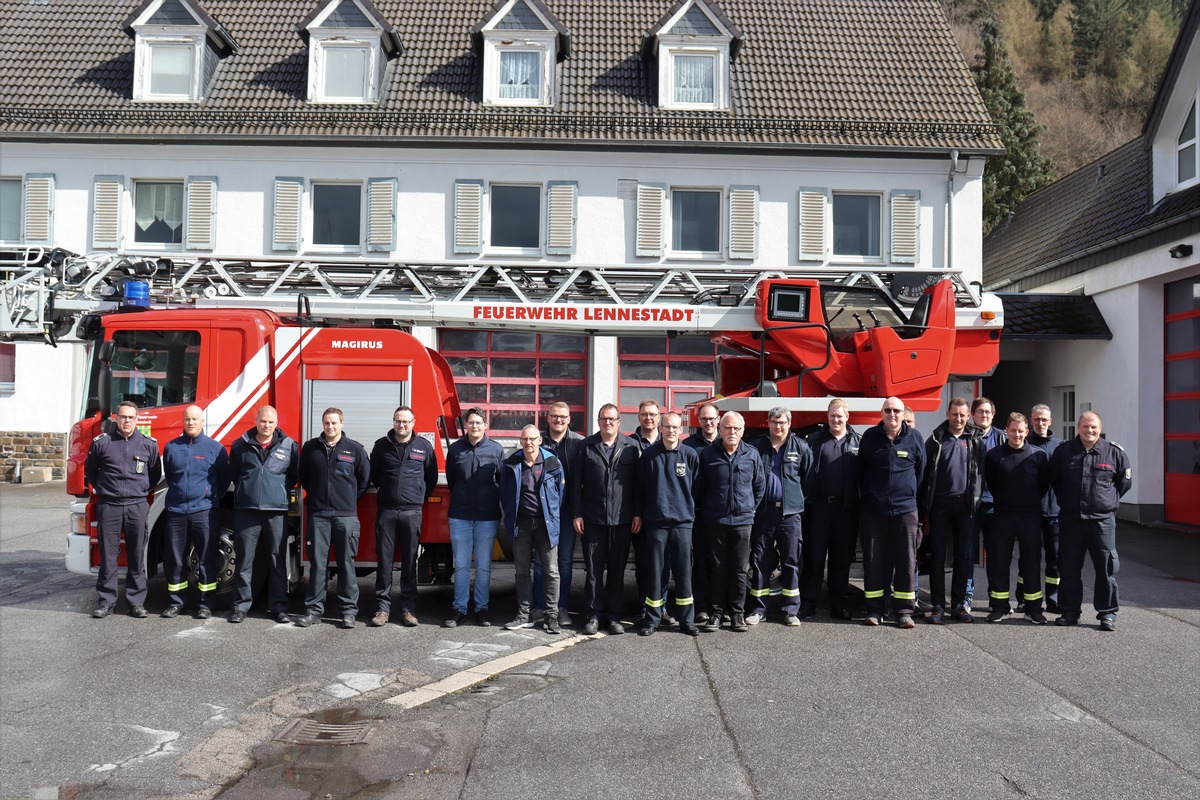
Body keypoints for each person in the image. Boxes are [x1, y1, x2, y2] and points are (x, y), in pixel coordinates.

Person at [1049, 411, 1131, 631]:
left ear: (1100, 428)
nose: (1090, 431)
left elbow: (1123, 483)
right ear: (1078, 427)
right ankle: (1070, 611)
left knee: (1106, 568)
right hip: (1071, 520)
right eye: (1085, 426)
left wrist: (1104, 502)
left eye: (1093, 427)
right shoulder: (1064, 452)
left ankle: (1107, 614)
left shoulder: (1114, 453)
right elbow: (1055, 481)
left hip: (1102, 522)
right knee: (1069, 567)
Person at [85, 400, 162, 618]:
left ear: (137, 420)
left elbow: (154, 474)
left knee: (137, 556)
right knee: (108, 556)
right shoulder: (102, 443)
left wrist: (140, 492)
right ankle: (106, 602)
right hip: (109, 505)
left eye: (131, 417)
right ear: (116, 418)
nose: (127, 420)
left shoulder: (148, 444)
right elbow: (91, 472)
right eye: (123, 417)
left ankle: (136, 602)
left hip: (136, 506)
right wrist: (104, 489)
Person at [296, 408, 370, 629]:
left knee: (347, 564)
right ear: (322, 424)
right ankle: (313, 610)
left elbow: (364, 479)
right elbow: (304, 477)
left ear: (342, 423)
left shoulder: (354, 449)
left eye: (334, 423)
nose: (330, 427)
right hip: (318, 515)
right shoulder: (311, 448)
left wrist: (347, 500)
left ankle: (348, 612)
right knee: (318, 565)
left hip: (345, 516)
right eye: (327, 423)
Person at [572, 402, 641, 636]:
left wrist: (637, 513)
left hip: (622, 520)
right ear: (598, 421)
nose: (608, 422)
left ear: (619, 422)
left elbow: (637, 486)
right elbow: (575, 485)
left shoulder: (631, 447)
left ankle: (613, 616)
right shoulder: (585, 447)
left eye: (612, 419)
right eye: (603, 419)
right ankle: (593, 615)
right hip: (592, 520)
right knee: (593, 572)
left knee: (616, 571)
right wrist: (577, 513)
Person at [858, 396, 925, 628]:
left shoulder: (915, 438)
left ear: (902, 413)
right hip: (874, 511)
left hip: (905, 511)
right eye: (888, 410)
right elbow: (860, 471)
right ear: (882, 413)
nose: (892, 414)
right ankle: (876, 609)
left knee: (906, 560)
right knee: (875, 560)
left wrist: (908, 497)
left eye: (896, 410)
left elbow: (921, 473)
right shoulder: (869, 438)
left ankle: (904, 611)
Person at [228, 405, 299, 624]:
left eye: (270, 422)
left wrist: (276, 493)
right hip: (247, 510)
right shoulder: (241, 444)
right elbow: (235, 473)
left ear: (277, 423)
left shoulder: (290, 446)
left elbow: (293, 475)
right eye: (262, 421)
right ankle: (241, 607)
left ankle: (278, 607)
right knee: (244, 561)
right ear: (256, 421)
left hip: (276, 511)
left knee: (277, 560)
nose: (266, 425)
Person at [697, 411, 766, 633]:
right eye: (727, 427)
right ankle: (716, 614)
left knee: (739, 569)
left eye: (736, 428)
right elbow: (700, 487)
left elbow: (759, 487)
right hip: (715, 520)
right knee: (716, 568)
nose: (732, 432)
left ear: (743, 431)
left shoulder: (752, 455)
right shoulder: (708, 455)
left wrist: (748, 508)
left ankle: (737, 614)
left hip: (743, 521)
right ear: (720, 428)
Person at [369, 406, 436, 628]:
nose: (402, 425)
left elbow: (431, 477)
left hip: (412, 511)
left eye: (406, 421)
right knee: (385, 562)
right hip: (387, 511)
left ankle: (408, 609)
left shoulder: (424, 447)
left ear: (413, 422)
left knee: (409, 563)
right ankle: (382, 609)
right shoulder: (381, 446)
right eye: (398, 421)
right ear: (393, 422)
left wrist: (416, 498)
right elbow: (374, 475)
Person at [634, 412, 701, 636]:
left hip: (683, 523)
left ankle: (686, 621)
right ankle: (652, 620)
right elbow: (640, 489)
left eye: (675, 427)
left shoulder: (690, 455)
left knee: (684, 573)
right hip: (657, 523)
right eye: (667, 427)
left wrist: (687, 511)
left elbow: (696, 489)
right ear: (660, 429)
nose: (671, 430)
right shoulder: (649, 456)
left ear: (681, 430)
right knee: (656, 572)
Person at [919, 397, 985, 624]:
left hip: (965, 506)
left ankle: (958, 605)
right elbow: (925, 473)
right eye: (954, 414)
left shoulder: (976, 440)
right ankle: (938, 605)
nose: (958, 419)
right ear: (948, 414)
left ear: (968, 416)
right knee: (937, 557)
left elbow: (982, 473)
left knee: (963, 557)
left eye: (962, 415)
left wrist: (977, 500)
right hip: (939, 506)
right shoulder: (936, 439)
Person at [160, 404, 229, 619]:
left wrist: (209, 495)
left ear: (202, 421)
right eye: (187, 419)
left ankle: (205, 604)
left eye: (195, 419)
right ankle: (176, 602)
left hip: (204, 511)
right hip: (176, 511)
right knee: (176, 558)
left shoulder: (215, 449)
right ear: (183, 421)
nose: (191, 423)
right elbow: (171, 477)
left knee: (207, 558)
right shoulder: (172, 447)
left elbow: (224, 479)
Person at [746, 407, 812, 627]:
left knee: (791, 562)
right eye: (775, 422)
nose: (779, 426)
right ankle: (758, 609)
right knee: (760, 561)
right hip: (764, 513)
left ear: (789, 423)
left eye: (782, 422)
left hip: (790, 515)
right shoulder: (757, 448)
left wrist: (796, 502)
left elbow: (809, 479)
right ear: (769, 423)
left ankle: (791, 610)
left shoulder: (801, 448)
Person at [983, 413, 1050, 624]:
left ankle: (1033, 609)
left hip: (1030, 516)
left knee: (1031, 563)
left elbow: (1043, 485)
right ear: (1007, 431)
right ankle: (1000, 607)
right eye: (1013, 431)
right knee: (1000, 562)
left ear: (1026, 432)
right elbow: (991, 483)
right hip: (1002, 515)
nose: (1017, 434)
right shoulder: (994, 456)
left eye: (1021, 431)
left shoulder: (1039, 456)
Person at [499, 426, 566, 634]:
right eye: (524, 439)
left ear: (540, 440)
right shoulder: (511, 464)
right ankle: (524, 614)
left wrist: (552, 515)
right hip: (522, 524)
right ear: (520, 441)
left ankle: (551, 617)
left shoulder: (552, 463)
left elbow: (560, 493)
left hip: (546, 524)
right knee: (521, 571)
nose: (528, 442)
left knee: (551, 571)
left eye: (532, 439)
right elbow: (504, 493)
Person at [443, 407, 504, 628]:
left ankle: (481, 608)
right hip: (460, 515)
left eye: (478, 422)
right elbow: (452, 480)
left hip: (487, 516)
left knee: (483, 565)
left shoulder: (496, 450)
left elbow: (501, 481)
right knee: (460, 565)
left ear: (485, 425)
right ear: (466, 425)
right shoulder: (456, 449)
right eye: (471, 423)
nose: (474, 426)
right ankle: (459, 608)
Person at [802, 398, 860, 621]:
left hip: (846, 510)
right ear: (827, 417)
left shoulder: (857, 442)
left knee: (841, 559)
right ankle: (808, 604)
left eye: (840, 415)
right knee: (814, 559)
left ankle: (838, 603)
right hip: (819, 508)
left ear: (847, 417)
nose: (836, 419)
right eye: (832, 415)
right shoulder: (815, 442)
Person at [538, 400, 583, 628]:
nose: (559, 420)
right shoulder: (536, 441)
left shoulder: (579, 444)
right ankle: (539, 608)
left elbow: (583, 482)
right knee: (541, 563)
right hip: (541, 514)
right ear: (548, 417)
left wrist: (578, 513)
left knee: (564, 563)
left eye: (563, 417)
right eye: (555, 416)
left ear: (569, 419)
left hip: (566, 514)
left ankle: (561, 607)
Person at [685, 402, 721, 623]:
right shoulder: (689, 446)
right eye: (704, 419)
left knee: (719, 564)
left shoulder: (729, 442)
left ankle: (720, 607)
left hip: (720, 515)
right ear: (698, 421)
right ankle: (702, 607)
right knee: (698, 563)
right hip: (697, 515)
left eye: (712, 419)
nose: (708, 422)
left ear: (719, 419)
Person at [968, 396, 1005, 611]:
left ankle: (996, 597)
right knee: (968, 552)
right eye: (980, 411)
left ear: (993, 414)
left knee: (996, 552)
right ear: (973, 415)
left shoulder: (1002, 438)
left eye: (987, 412)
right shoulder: (966, 436)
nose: (984, 415)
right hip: (970, 504)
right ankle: (966, 596)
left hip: (994, 504)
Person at [1027, 404, 1063, 613]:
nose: (1040, 423)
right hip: (1031, 511)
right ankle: (1025, 599)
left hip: (1054, 512)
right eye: (1036, 419)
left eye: (1044, 420)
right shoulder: (1024, 444)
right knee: (1029, 558)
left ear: (1050, 421)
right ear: (1031, 421)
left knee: (1054, 559)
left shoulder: (1060, 447)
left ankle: (1053, 599)